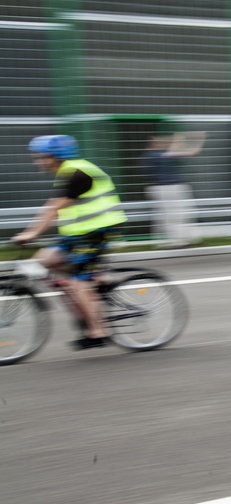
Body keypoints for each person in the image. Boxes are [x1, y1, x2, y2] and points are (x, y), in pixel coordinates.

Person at [13, 135, 127, 349]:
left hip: (98, 231)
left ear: (57, 156)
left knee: (77, 281)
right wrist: (30, 231)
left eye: (42, 157)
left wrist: (31, 234)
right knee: (44, 261)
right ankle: (98, 279)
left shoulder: (78, 173)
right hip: (77, 235)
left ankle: (98, 332)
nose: (38, 162)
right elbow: (52, 205)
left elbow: (55, 209)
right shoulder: (65, 172)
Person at [143, 131, 206, 248]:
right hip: (165, 188)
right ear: (151, 142)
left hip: (176, 187)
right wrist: (180, 139)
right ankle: (177, 241)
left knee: (186, 213)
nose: (160, 142)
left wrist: (195, 140)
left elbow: (190, 152)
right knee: (171, 217)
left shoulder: (160, 154)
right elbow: (176, 151)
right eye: (156, 140)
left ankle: (190, 238)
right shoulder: (152, 155)